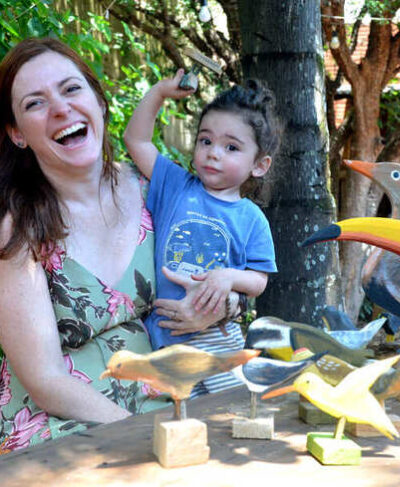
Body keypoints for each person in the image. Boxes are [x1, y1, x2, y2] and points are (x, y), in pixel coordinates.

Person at [0, 38, 209, 452]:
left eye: (71, 89)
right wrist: (142, 434)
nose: (61, 108)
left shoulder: (155, 192)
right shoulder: (18, 228)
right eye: (34, 103)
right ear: (17, 134)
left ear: (99, 102)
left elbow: (222, 271)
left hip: (169, 403)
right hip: (61, 427)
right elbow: (45, 381)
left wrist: (218, 304)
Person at [124, 72, 280, 394]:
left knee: (229, 412)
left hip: (217, 335)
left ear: (259, 165)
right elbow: (136, 141)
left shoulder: (252, 218)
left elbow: (259, 281)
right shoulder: (175, 186)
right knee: (182, 421)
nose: (213, 153)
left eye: (231, 147)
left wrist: (227, 277)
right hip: (165, 335)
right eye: (205, 141)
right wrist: (159, 92)